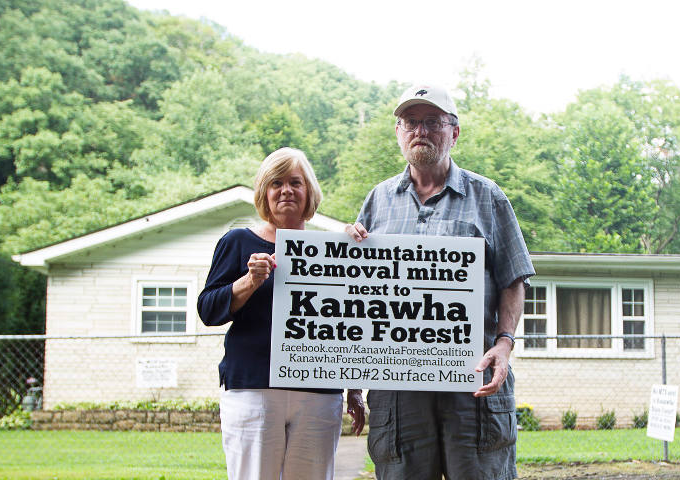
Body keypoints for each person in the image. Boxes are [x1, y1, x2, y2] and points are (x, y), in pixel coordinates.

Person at [346, 85, 536, 480]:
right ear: (398, 132)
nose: (421, 131)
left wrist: (505, 343)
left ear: (454, 132)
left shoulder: (488, 197)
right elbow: (354, 292)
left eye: (433, 122)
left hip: (473, 378)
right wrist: (351, 374)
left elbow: (513, 278)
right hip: (398, 387)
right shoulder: (378, 200)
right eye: (411, 122)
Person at [198, 147, 365, 480]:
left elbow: (350, 322)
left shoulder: (333, 250)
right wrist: (249, 281)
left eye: (295, 182)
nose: (286, 190)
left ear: (309, 193)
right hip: (255, 390)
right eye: (276, 183)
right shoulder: (237, 241)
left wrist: (355, 389)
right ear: (264, 192)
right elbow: (208, 309)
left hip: (318, 393)